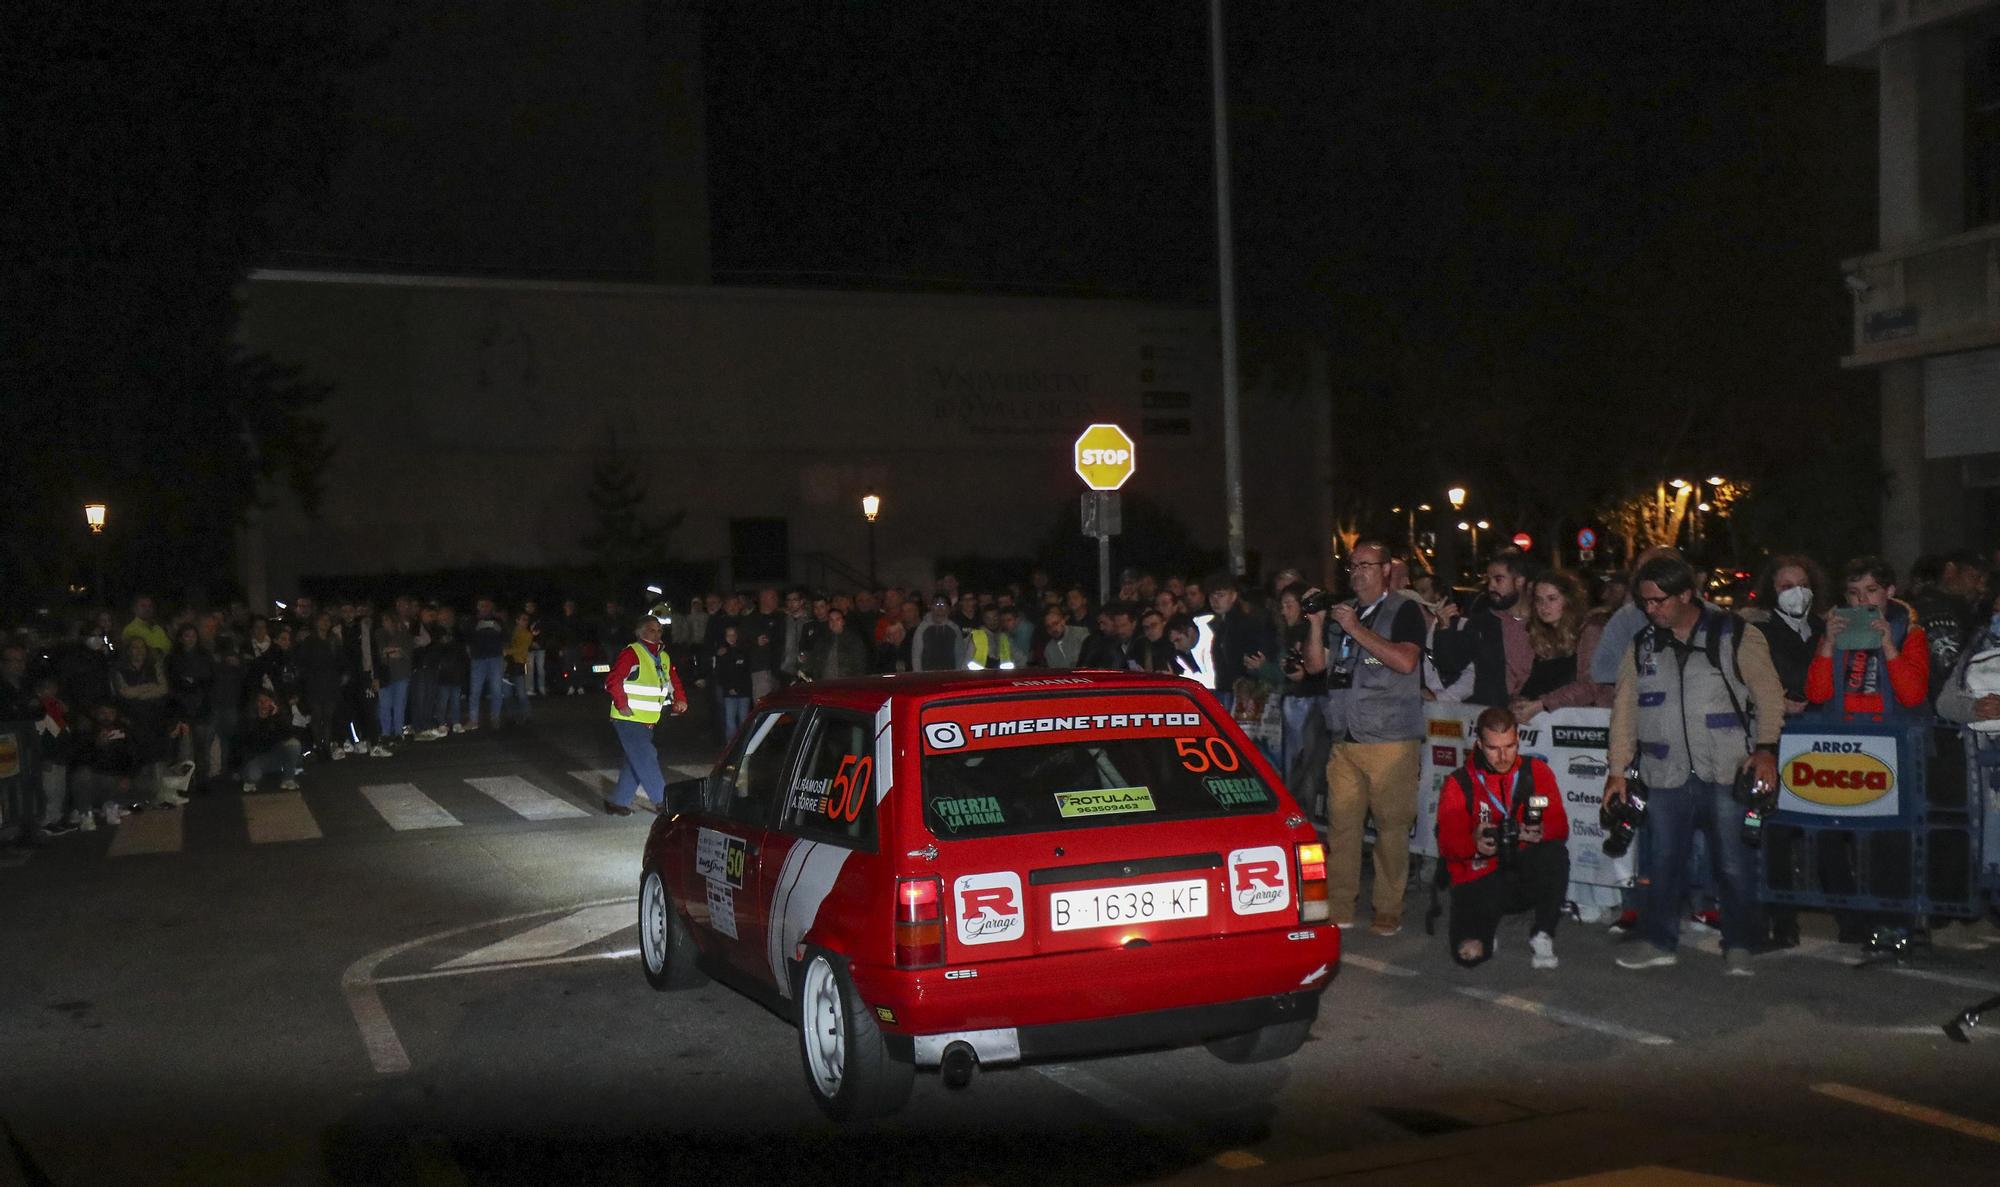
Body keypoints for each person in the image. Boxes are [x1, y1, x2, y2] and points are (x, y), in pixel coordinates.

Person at [1604, 553, 1785, 975]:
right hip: (1664, 775)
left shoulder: (1735, 633)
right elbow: (1624, 710)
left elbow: (1769, 695)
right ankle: (1658, 940)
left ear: (1686, 594)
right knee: (1662, 863)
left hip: (1726, 770)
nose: (1651, 609)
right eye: (1645, 602)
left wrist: (1766, 750)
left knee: (1734, 863)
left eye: (1659, 600)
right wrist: (1617, 770)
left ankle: (1739, 944)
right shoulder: (1642, 645)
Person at [1302, 540, 1428, 936]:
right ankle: (1340, 906)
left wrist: (1356, 630)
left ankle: (1388, 909)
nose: (1357, 572)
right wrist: (1317, 623)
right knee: (1341, 827)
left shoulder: (1405, 610)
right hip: (1346, 737)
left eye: (1367, 565)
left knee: (1391, 829)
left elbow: (1406, 661)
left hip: (1391, 739)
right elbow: (1316, 668)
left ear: (1386, 569)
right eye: (1352, 565)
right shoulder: (1345, 614)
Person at [1436, 707, 1570, 968]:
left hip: (1521, 868)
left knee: (1555, 854)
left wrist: (1540, 831)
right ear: (1478, 744)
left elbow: (1560, 825)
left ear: (1518, 741)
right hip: (1480, 874)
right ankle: (1485, 927)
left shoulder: (1536, 771)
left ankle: (1543, 932)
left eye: (1509, 747)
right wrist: (1473, 843)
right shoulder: (1459, 783)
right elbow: (1448, 846)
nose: (1502, 756)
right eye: (1493, 748)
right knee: (1470, 956)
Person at [1805, 556, 1929, 717]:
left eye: (1871, 590)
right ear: (1846, 597)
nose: (1862, 599)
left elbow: (1912, 697)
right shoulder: (1834, 632)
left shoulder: (1910, 633)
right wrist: (1828, 645)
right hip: (1844, 732)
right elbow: (1817, 695)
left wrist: (1889, 647)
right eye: (1853, 592)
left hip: (1892, 732)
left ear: (1889, 591)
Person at [603, 612, 690, 816]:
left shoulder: (664, 656)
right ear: (640, 632)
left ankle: (617, 802)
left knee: (636, 760)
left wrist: (680, 698)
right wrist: (622, 704)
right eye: (652, 629)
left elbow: (673, 680)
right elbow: (612, 681)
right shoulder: (632, 653)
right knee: (646, 757)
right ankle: (663, 802)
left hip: (647, 720)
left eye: (659, 630)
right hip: (628, 719)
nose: (657, 633)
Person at [1432, 551, 1534, 707]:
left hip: (1540, 717)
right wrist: (1444, 628)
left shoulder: (1542, 622)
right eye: (1489, 580)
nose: (1491, 586)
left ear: (1519, 581)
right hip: (1494, 717)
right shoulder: (1483, 623)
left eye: (1498, 579)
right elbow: (1451, 665)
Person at [1513, 569, 1613, 721]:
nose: (1544, 606)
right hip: (1548, 727)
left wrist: (1542, 704)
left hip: (1587, 725)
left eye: (1552, 599)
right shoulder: (1539, 634)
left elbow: (1592, 684)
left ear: (1568, 600)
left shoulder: (1591, 631)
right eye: (1539, 600)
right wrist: (1518, 701)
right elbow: (1525, 679)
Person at [240, 689, 304, 792]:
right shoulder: (249, 718)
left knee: (294, 744)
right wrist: (261, 721)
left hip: (274, 756)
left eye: (266, 701)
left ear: (272, 702)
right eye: (260, 701)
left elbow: (289, 735)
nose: (263, 704)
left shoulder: (277, 716)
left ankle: (288, 779)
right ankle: (248, 779)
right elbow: (253, 744)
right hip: (257, 758)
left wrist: (276, 717)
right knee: (253, 775)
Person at [466, 596, 509, 731]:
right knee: (475, 690)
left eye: (487, 605)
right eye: (482, 605)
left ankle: (495, 717)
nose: (484, 608)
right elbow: (466, 638)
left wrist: (498, 629)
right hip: (478, 659)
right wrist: (476, 629)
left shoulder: (498, 621)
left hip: (495, 658)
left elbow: (506, 638)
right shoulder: (472, 621)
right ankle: (473, 720)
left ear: (491, 607)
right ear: (478, 607)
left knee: (496, 689)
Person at [710, 623, 754, 739]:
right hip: (729, 693)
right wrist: (729, 688)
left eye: (733, 634)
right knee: (730, 722)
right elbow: (720, 674)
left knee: (744, 721)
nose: (731, 637)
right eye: (728, 635)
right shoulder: (721, 653)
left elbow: (746, 672)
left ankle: (743, 746)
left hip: (744, 692)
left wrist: (738, 688)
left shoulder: (744, 651)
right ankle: (731, 747)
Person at [804, 608, 869, 680]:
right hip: (824, 682)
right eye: (831, 620)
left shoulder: (853, 640)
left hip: (846, 682)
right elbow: (814, 660)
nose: (834, 623)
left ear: (843, 621)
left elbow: (860, 664)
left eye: (837, 619)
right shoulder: (822, 640)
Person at [912, 598, 963, 673]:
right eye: (936, 604)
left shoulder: (954, 628)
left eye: (942, 604)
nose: (939, 607)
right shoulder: (922, 628)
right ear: (931, 607)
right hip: (927, 675)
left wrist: (958, 673)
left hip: (950, 673)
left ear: (948, 608)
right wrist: (918, 674)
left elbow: (959, 653)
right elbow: (916, 654)